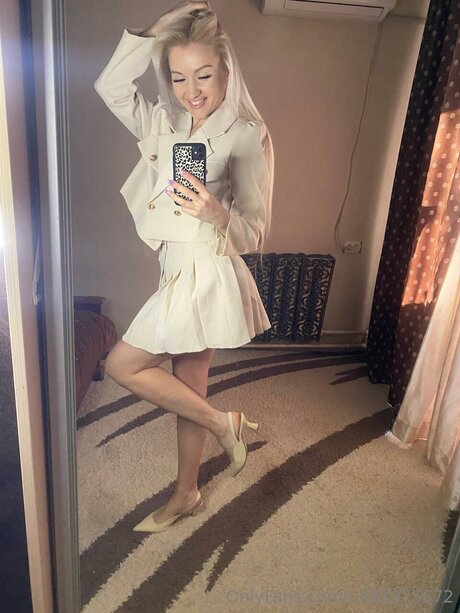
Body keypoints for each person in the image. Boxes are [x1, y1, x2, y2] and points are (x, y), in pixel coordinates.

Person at [93, 1, 274, 532]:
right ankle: (187, 493)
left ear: (225, 72)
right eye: (178, 77)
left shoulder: (245, 133)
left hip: (207, 269)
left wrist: (218, 213)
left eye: (203, 74)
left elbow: (255, 230)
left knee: (121, 365)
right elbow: (110, 87)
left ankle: (224, 424)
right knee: (188, 389)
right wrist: (156, 31)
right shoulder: (163, 122)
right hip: (174, 266)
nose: (191, 90)